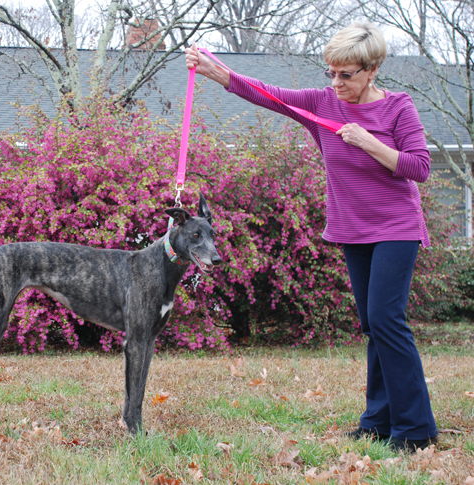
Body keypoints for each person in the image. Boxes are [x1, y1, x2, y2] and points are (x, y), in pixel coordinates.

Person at [185, 22, 438, 453]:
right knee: (372, 325)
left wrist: (368, 143)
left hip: (396, 226)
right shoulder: (322, 104)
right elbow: (268, 93)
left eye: (347, 74)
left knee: (386, 319)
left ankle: (415, 430)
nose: (336, 83)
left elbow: (419, 167)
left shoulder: (398, 108)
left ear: (372, 70)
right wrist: (216, 72)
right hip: (353, 228)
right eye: (331, 73)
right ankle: (377, 420)